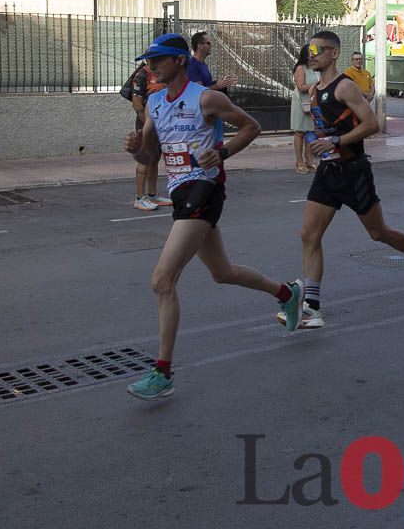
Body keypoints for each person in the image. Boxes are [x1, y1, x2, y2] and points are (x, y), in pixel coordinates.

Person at [123, 33, 305, 400]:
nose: (150, 67)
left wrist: (222, 153)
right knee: (222, 272)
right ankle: (287, 293)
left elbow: (251, 126)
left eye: (157, 60)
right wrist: (135, 150)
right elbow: (149, 157)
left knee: (162, 280)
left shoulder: (206, 98)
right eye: (148, 61)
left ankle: (162, 373)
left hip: (205, 188)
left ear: (179, 61)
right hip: (180, 192)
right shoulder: (154, 103)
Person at [281, 31, 404, 329]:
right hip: (328, 171)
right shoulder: (314, 90)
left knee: (377, 232)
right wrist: (318, 143)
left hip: (353, 171)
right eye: (309, 50)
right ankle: (312, 308)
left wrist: (335, 141)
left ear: (334, 53)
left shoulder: (345, 87)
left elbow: (371, 124)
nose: (311, 55)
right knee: (309, 234)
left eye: (317, 50)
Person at [129, 60, 173, 211]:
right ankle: (139, 198)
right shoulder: (142, 76)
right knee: (145, 159)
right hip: (146, 124)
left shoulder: (161, 73)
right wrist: (148, 123)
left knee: (155, 159)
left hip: (161, 123)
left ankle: (152, 195)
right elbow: (136, 104)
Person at [290, 44, 320, 173]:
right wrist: (317, 85)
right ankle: (299, 162)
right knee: (300, 132)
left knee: (311, 132)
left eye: (315, 52)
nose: (314, 54)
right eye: (311, 52)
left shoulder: (316, 67)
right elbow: (301, 87)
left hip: (313, 102)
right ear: (305, 54)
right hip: (302, 102)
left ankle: (309, 161)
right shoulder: (300, 68)